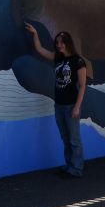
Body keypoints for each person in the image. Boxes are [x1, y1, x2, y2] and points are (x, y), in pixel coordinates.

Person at [24, 23, 87, 178]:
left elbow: (83, 85)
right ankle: (69, 165)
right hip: (59, 105)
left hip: (71, 105)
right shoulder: (57, 58)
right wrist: (35, 34)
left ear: (68, 43)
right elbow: (40, 50)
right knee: (65, 138)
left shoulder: (77, 61)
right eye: (57, 42)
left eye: (61, 42)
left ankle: (77, 169)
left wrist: (77, 107)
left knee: (74, 139)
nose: (59, 45)